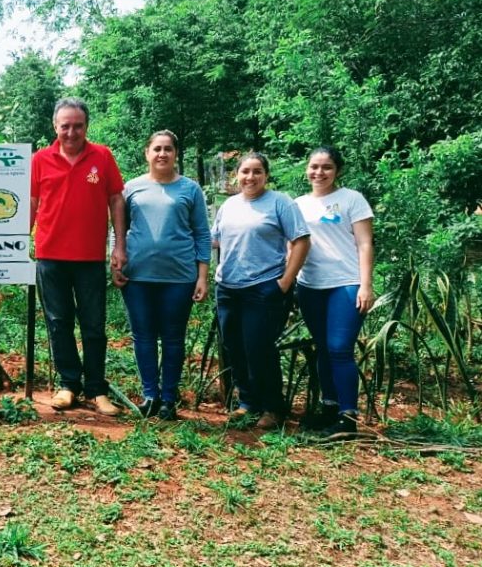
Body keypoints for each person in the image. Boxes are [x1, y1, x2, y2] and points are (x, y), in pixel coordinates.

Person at [30, 97, 127, 415]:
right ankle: (68, 385)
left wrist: (119, 245)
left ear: (87, 126)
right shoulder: (40, 160)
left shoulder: (102, 156)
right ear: (55, 126)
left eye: (78, 126)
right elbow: (31, 203)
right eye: (65, 126)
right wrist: (17, 244)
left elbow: (116, 200)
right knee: (59, 323)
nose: (71, 132)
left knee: (94, 325)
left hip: (89, 257)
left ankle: (97, 389)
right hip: (50, 254)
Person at [113, 131, 210, 420]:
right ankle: (150, 396)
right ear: (147, 153)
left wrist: (202, 276)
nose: (162, 154)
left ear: (176, 153)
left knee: (172, 338)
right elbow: (118, 230)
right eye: (157, 149)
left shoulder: (190, 190)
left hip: (179, 278)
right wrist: (116, 263)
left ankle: (169, 399)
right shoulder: (131, 188)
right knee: (142, 336)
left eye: (168, 149)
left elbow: (202, 234)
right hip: (138, 276)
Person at [213, 152, 311, 429]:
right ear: (236, 174)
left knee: (259, 348)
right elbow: (215, 240)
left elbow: (302, 241)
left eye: (257, 171)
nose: (250, 177)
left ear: (266, 175)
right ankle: (247, 402)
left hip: (264, 288)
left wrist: (285, 281)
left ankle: (272, 408)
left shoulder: (280, 203)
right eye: (245, 171)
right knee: (234, 346)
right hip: (228, 288)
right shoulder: (229, 205)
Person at [294, 146, 374, 438]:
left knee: (340, 348)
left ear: (337, 170)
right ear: (307, 169)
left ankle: (348, 416)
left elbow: (365, 243)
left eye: (326, 167)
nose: (319, 172)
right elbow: (291, 245)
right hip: (310, 285)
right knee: (323, 348)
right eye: (314, 166)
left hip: (346, 283)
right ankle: (329, 408)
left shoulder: (351, 199)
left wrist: (366, 285)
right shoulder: (298, 204)